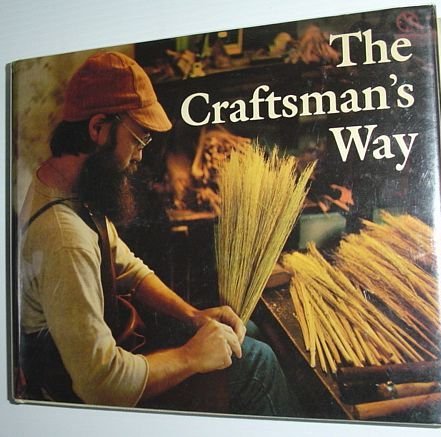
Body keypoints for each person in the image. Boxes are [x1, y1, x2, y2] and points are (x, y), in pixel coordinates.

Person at [18, 51, 296, 416]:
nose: (139, 156)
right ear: (98, 128)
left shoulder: (70, 187)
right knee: (258, 362)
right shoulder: (64, 239)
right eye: (138, 139)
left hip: (103, 362)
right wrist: (191, 356)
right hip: (81, 399)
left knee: (249, 331)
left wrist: (194, 315)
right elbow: (102, 385)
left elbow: (129, 268)